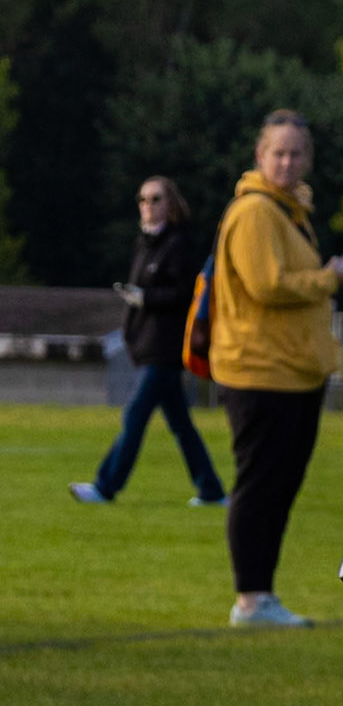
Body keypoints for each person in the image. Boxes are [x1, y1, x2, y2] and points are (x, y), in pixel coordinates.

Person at [210, 110, 343, 627]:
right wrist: (327, 279)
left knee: (278, 487)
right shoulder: (256, 212)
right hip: (261, 371)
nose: (287, 161)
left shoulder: (288, 211)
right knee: (260, 486)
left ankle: (261, 595)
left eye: (297, 153)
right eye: (278, 151)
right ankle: (251, 599)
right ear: (259, 156)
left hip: (293, 371)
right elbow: (266, 284)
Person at [69, 177, 226, 508]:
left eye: (155, 199)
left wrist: (146, 298)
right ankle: (211, 490)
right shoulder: (144, 243)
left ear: (170, 204)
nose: (147, 205)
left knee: (135, 417)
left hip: (165, 350)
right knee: (182, 427)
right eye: (142, 199)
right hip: (146, 348)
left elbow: (185, 295)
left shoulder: (179, 244)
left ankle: (104, 486)